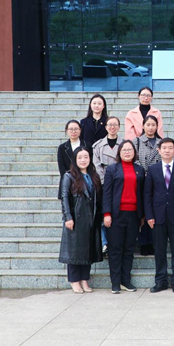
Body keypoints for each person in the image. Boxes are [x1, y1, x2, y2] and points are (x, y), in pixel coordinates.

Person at [144, 138, 174, 294]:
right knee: (159, 251)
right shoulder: (153, 169)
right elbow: (147, 194)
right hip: (157, 217)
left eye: (170, 148)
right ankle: (161, 281)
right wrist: (149, 215)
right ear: (159, 150)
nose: (167, 150)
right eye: (164, 148)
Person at [103, 140, 145, 294]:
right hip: (116, 215)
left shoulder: (139, 170)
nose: (127, 152)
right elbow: (107, 193)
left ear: (134, 152)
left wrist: (142, 215)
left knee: (129, 249)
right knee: (115, 249)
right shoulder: (112, 169)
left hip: (133, 215)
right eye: (124, 150)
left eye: (130, 149)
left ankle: (126, 280)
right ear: (119, 153)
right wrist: (107, 214)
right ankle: (115, 282)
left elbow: (142, 193)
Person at [59, 146, 103, 293]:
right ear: (75, 159)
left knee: (87, 250)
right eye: (80, 157)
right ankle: (74, 280)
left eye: (86, 157)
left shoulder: (93, 176)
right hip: (76, 218)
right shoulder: (69, 176)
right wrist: (68, 217)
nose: (83, 160)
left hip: (91, 218)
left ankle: (84, 279)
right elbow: (65, 197)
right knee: (74, 251)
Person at [92, 116, 122, 257]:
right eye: (110, 125)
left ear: (119, 127)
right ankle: (105, 242)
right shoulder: (98, 145)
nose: (112, 127)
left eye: (115, 124)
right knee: (105, 212)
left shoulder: (124, 144)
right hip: (104, 184)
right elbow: (97, 165)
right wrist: (106, 181)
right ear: (105, 127)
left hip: (121, 183)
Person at [132, 115, 163, 256]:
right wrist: (143, 172)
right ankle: (143, 242)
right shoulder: (137, 141)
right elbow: (134, 159)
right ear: (143, 126)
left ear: (157, 126)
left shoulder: (161, 142)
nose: (150, 128)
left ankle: (154, 242)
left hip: (157, 181)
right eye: (148, 125)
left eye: (153, 125)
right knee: (143, 210)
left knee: (155, 210)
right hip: (141, 180)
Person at [57, 120, 85, 200]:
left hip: (84, 183)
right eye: (71, 129)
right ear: (66, 131)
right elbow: (62, 168)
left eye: (76, 129)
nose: (73, 131)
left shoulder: (87, 146)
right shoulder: (62, 148)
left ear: (80, 130)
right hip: (67, 183)